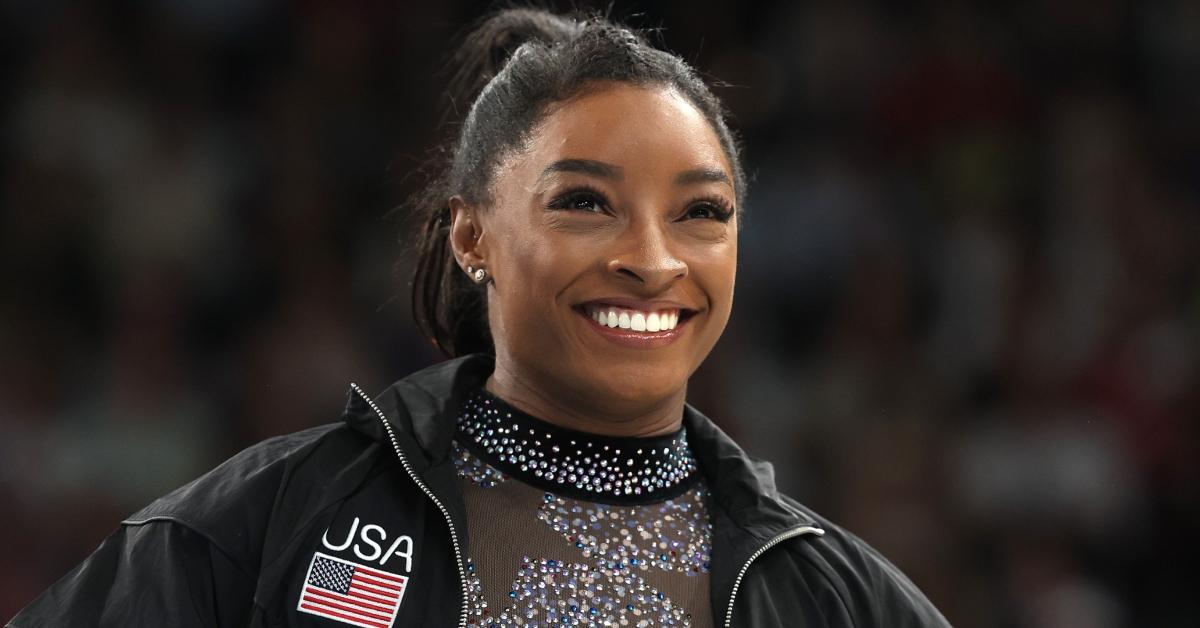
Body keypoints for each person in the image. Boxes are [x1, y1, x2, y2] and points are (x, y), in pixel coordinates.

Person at [8, 9, 950, 628]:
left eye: (701, 213)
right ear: (472, 237)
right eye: (585, 202)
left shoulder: (837, 598)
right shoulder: (274, 522)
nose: (654, 260)